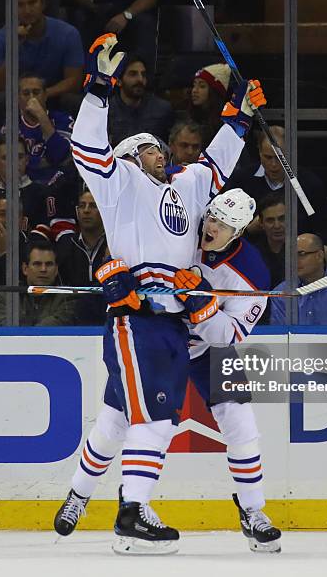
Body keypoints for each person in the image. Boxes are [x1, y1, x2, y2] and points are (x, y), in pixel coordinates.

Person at [66, 32, 265, 553]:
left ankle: (130, 506)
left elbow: (218, 161)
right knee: (147, 416)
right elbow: (86, 149)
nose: (158, 151)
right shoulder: (121, 187)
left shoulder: (187, 187)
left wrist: (239, 115)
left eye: (158, 147)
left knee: (152, 416)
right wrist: (97, 90)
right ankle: (129, 509)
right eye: (147, 148)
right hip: (140, 318)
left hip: (178, 323)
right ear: (131, 159)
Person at [54, 189, 282, 554]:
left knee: (241, 424)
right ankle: (78, 496)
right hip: (157, 339)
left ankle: (253, 511)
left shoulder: (251, 272)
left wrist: (203, 308)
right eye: (211, 217)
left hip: (208, 349)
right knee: (113, 422)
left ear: (237, 233)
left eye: (223, 226)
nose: (211, 227)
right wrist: (111, 271)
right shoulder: (183, 227)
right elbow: (129, 246)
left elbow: (229, 335)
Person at [0, 0, 84, 105]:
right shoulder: (2, 37)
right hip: (19, 102)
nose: (27, 10)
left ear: (43, 4)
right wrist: (14, 46)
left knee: (72, 100)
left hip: (53, 97)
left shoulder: (68, 34)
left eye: (32, 2)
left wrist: (41, 95)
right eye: (20, 5)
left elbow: (75, 82)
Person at [239, 126, 327, 246]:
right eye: (268, 157)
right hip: (253, 252)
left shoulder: (309, 183)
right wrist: (249, 230)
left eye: (280, 158)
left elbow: (325, 230)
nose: (274, 164)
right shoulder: (242, 181)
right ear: (259, 152)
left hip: (298, 252)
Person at [71, 0, 160, 74]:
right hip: (98, 7)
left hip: (132, 10)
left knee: (146, 23)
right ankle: (84, 80)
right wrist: (93, 6)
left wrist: (126, 15)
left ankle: (142, 81)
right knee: (80, 17)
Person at [0, 74, 74, 184]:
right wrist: (43, 161)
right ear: (18, 98)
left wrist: (41, 116)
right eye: (26, 93)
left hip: (57, 182)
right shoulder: (10, 127)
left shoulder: (63, 120)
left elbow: (60, 155)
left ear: (45, 95)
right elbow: (12, 165)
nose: (32, 98)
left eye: (36, 92)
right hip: (23, 185)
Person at [0, 241, 75, 326]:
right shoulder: (4, 294)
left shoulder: (67, 296)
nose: (43, 269)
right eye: (37, 264)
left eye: (49, 264)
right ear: (25, 269)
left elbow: (61, 324)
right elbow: (0, 327)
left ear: (56, 270)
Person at [56, 188, 107, 326]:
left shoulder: (114, 246)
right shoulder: (65, 244)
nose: (86, 211)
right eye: (82, 206)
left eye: (93, 206)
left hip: (109, 313)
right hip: (72, 317)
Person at [108, 54, 174, 145]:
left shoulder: (162, 110)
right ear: (118, 81)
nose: (140, 79)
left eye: (143, 74)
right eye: (133, 74)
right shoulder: (106, 111)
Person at [188, 63, 231, 143]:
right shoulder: (189, 118)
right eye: (194, 85)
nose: (194, 90)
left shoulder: (225, 125)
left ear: (214, 92)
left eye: (202, 86)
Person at [249, 192, 286, 289]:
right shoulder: (253, 255)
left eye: (282, 218)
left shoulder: (302, 250)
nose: (277, 226)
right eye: (270, 220)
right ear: (261, 223)